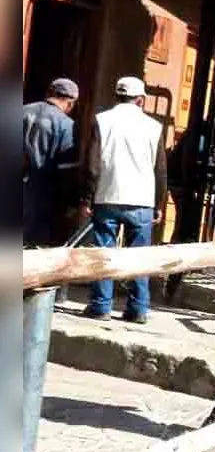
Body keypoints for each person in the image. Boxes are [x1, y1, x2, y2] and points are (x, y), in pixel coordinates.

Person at [81, 76, 167, 323]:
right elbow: (160, 169)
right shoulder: (154, 126)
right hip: (141, 199)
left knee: (104, 254)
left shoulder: (103, 120)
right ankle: (138, 308)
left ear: (117, 95)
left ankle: (100, 306)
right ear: (140, 99)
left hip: (107, 195)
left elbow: (93, 164)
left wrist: (87, 196)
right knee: (138, 257)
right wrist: (159, 202)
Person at [23, 78, 79, 248]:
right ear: (71, 103)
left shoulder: (21, 111)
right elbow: (66, 168)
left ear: (49, 93)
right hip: (41, 194)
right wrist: (70, 202)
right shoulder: (66, 125)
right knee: (32, 248)